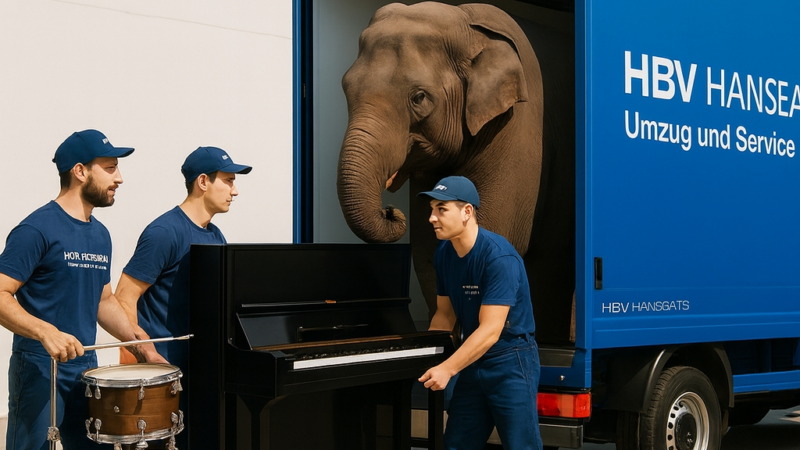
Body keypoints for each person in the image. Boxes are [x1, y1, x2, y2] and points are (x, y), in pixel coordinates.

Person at [0, 129, 156, 450]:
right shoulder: (36, 229)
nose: (120, 178)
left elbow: (104, 300)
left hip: (86, 365)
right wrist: (45, 331)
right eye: (110, 168)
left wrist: (139, 343)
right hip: (40, 366)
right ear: (80, 171)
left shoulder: (100, 234)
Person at [114, 146, 251, 447]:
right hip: (162, 374)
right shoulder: (165, 232)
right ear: (203, 182)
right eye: (228, 181)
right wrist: (145, 359)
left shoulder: (215, 236)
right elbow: (124, 298)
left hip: (200, 370)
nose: (235, 191)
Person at [417, 176, 543, 450]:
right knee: (456, 444)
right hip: (472, 360)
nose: (432, 218)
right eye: (432, 209)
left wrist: (448, 369)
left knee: (521, 445)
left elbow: (490, 330)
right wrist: (424, 357)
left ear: (467, 212)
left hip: (510, 360)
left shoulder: (498, 257)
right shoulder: (444, 254)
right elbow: (444, 315)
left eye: (441, 209)